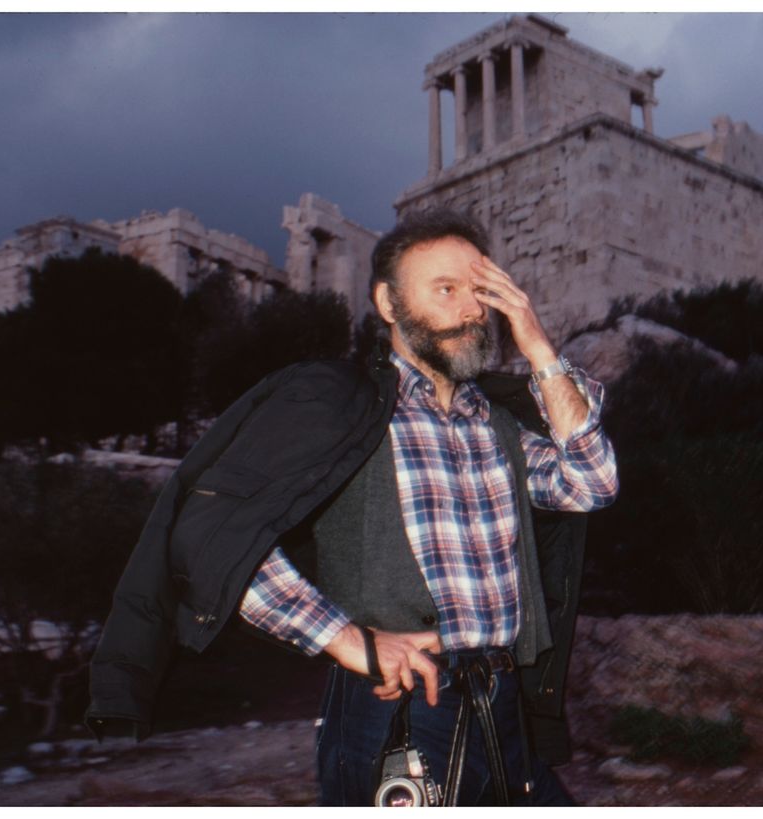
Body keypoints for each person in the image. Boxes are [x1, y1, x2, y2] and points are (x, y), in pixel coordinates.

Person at [85, 208, 618, 806]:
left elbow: (590, 482)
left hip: (504, 704)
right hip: (398, 710)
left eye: (480, 292)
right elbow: (214, 534)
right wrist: (344, 639)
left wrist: (541, 348)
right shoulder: (344, 409)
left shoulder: (498, 423)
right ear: (389, 305)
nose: (472, 310)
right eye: (445, 289)